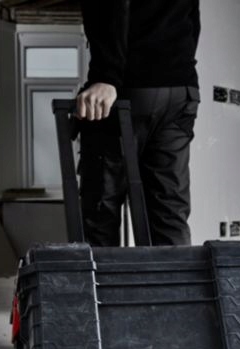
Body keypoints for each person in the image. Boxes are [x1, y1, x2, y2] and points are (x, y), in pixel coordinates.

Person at [76, 0, 201, 247]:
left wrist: (106, 76)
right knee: (169, 211)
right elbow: (192, 18)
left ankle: (102, 274)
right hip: (180, 89)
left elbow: (110, 6)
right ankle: (175, 275)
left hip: (131, 86)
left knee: (101, 210)